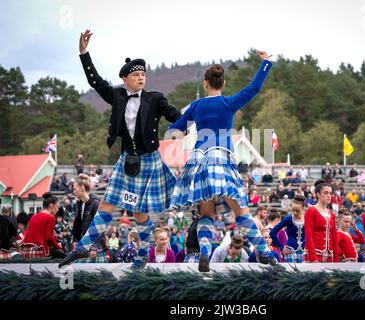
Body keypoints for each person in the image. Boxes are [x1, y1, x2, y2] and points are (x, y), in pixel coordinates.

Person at [59, 29, 181, 269]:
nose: (141, 77)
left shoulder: (154, 98)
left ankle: (143, 254)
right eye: (136, 74)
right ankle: (83, 247)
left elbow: (174, 114)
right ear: (125, 78)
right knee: (106, 204)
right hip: (127, 161)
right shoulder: (116, 96)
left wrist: (183, 127)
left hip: (150, 162)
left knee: (139, 214)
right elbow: (95, 81)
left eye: (143, 74)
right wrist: (84, 53)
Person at [168, 50, 278, 272]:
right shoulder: (228, 103)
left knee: (206, 214)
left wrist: (177, 135)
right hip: (221, 157)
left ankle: (205, 252)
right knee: (241, 212)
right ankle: (265, 254)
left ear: (205, 83)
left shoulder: (197, 106)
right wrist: (265, 63)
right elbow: (253, 89)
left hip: (199, 160)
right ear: (223, 83)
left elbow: (175, 130)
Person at [71, 174, 108, 263]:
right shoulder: (79, 204)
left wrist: (94, 247)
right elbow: (78, 225)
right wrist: (75, 240)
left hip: (95, 249)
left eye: (75, 189)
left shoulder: (95, 203)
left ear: (82, 188)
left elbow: (100, 227)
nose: (73, 192)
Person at [304, 179, 339, 262]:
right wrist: (313, 258)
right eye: (326, 193)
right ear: (318, 194)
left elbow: (334, 238)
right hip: (314, 254)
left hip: (330, 255)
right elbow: (308, 236)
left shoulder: (331, 214)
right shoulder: (311, 211)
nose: (329, 196)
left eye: (330, 193)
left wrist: (336, 258)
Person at [23, 192, 66, 258]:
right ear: (51, 206)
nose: (58, 209)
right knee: (63, 255)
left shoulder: (34, 216)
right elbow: (48, 238)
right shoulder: (50, 217)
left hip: (26, 251)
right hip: (40, 250)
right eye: (57, 206)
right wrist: (58, 247)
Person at [270, 195, 306, 263]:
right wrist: (281, 247)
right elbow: (272, 233)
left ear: (303, 208)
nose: (294, 213)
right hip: (290, 251)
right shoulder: (288, 219)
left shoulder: (308, 219)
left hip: (304, 251)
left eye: (297, 211)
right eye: (293, 210)